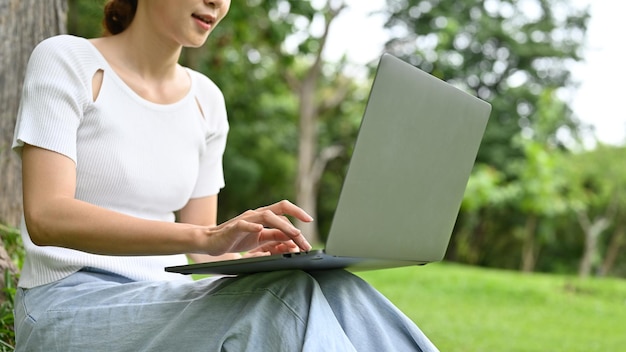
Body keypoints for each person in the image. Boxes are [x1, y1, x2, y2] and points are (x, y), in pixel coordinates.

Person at [11, 0, 439, 351]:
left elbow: (207, 253)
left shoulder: (206, 100)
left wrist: (250, 258)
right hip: (67, 303)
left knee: (331, 287)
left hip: (162, 297)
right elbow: (48, 216)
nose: (216, 3)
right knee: (282, 301)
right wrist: (207, 237)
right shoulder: (67, 59)